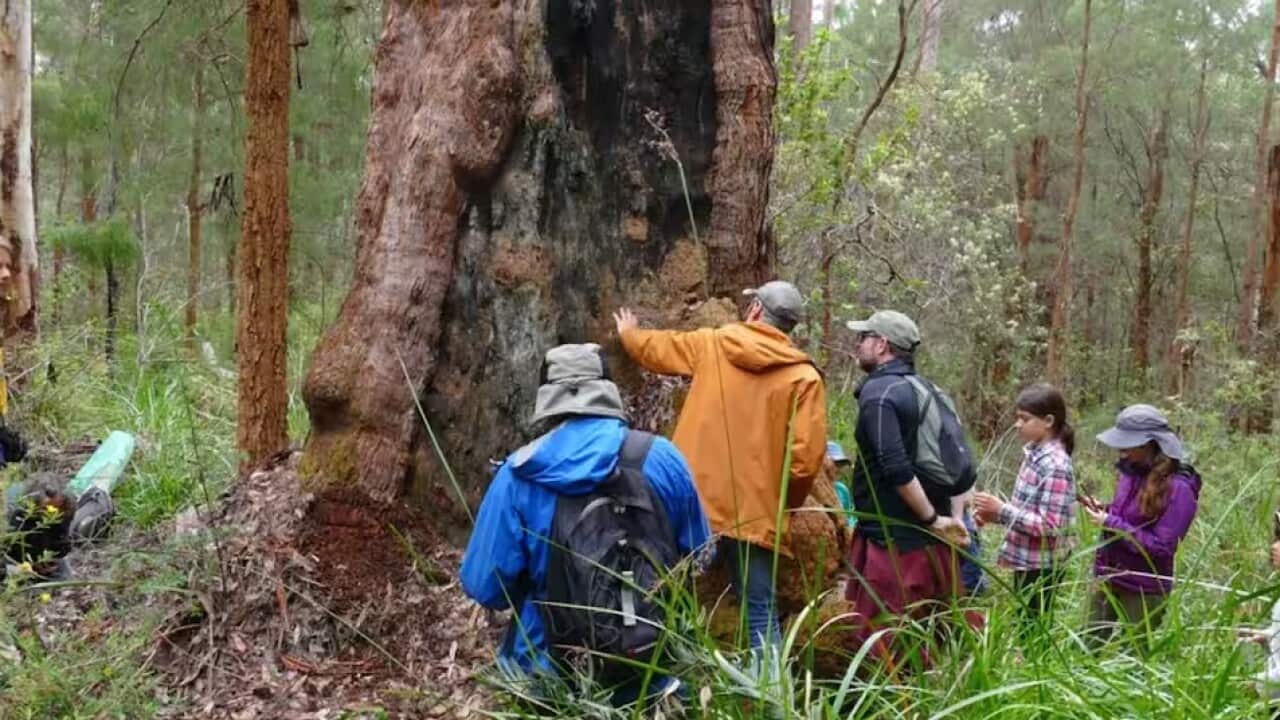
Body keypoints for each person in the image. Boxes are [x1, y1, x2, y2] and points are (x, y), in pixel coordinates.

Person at [459, 343, 709, 704]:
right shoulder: (663, 458)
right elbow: (698, 554)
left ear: (548, 399)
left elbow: (485, 586)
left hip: (548, 681)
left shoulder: (519, 476)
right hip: (654, 671)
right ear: (606, 389)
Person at [613, 280, 827, 650]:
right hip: (755, 512)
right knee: (760, 608)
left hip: (692, 499)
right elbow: (805, 462)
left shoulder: (713, 344)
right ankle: (773, 701)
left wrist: (629, 336)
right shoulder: (804, 377)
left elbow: (661, 349)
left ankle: (673, 683)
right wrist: (780, 503)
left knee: (670, 591)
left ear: (757, 310)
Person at [840, 309, 973, 668]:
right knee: (928, 634)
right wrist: (954, 519)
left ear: (882, 345)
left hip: (894, 544)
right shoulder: (929, 389)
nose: (858, 344)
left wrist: (933, 520)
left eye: (864, 337)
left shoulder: (879, 395)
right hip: (935, 546)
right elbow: (963, 465)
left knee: (884, 643)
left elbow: (894, 467)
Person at [1082, 404, 1200, 647]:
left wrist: (1111, 522)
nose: (1121, 452)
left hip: (1144, 589)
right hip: (1109, 577)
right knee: (1084, 648)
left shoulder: (1179, 489)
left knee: (1131, 663)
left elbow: (1162, 547)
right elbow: (1131, 516)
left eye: (1128, 446)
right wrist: (1104, 510)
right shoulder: (1131, 474)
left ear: (1150, 445)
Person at [972, 383, 1076, 635]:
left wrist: (1002, 510)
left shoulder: (1056, 465)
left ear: (1048, 421)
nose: (1018, 424)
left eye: (1025, 419)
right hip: (1027, 560)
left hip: (1042, 565)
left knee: (1033, 631)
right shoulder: (1034, 455)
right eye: (1017, 417)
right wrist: (994, 514)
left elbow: (1051, 526)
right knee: (1024, 626)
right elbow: (1027, 511)